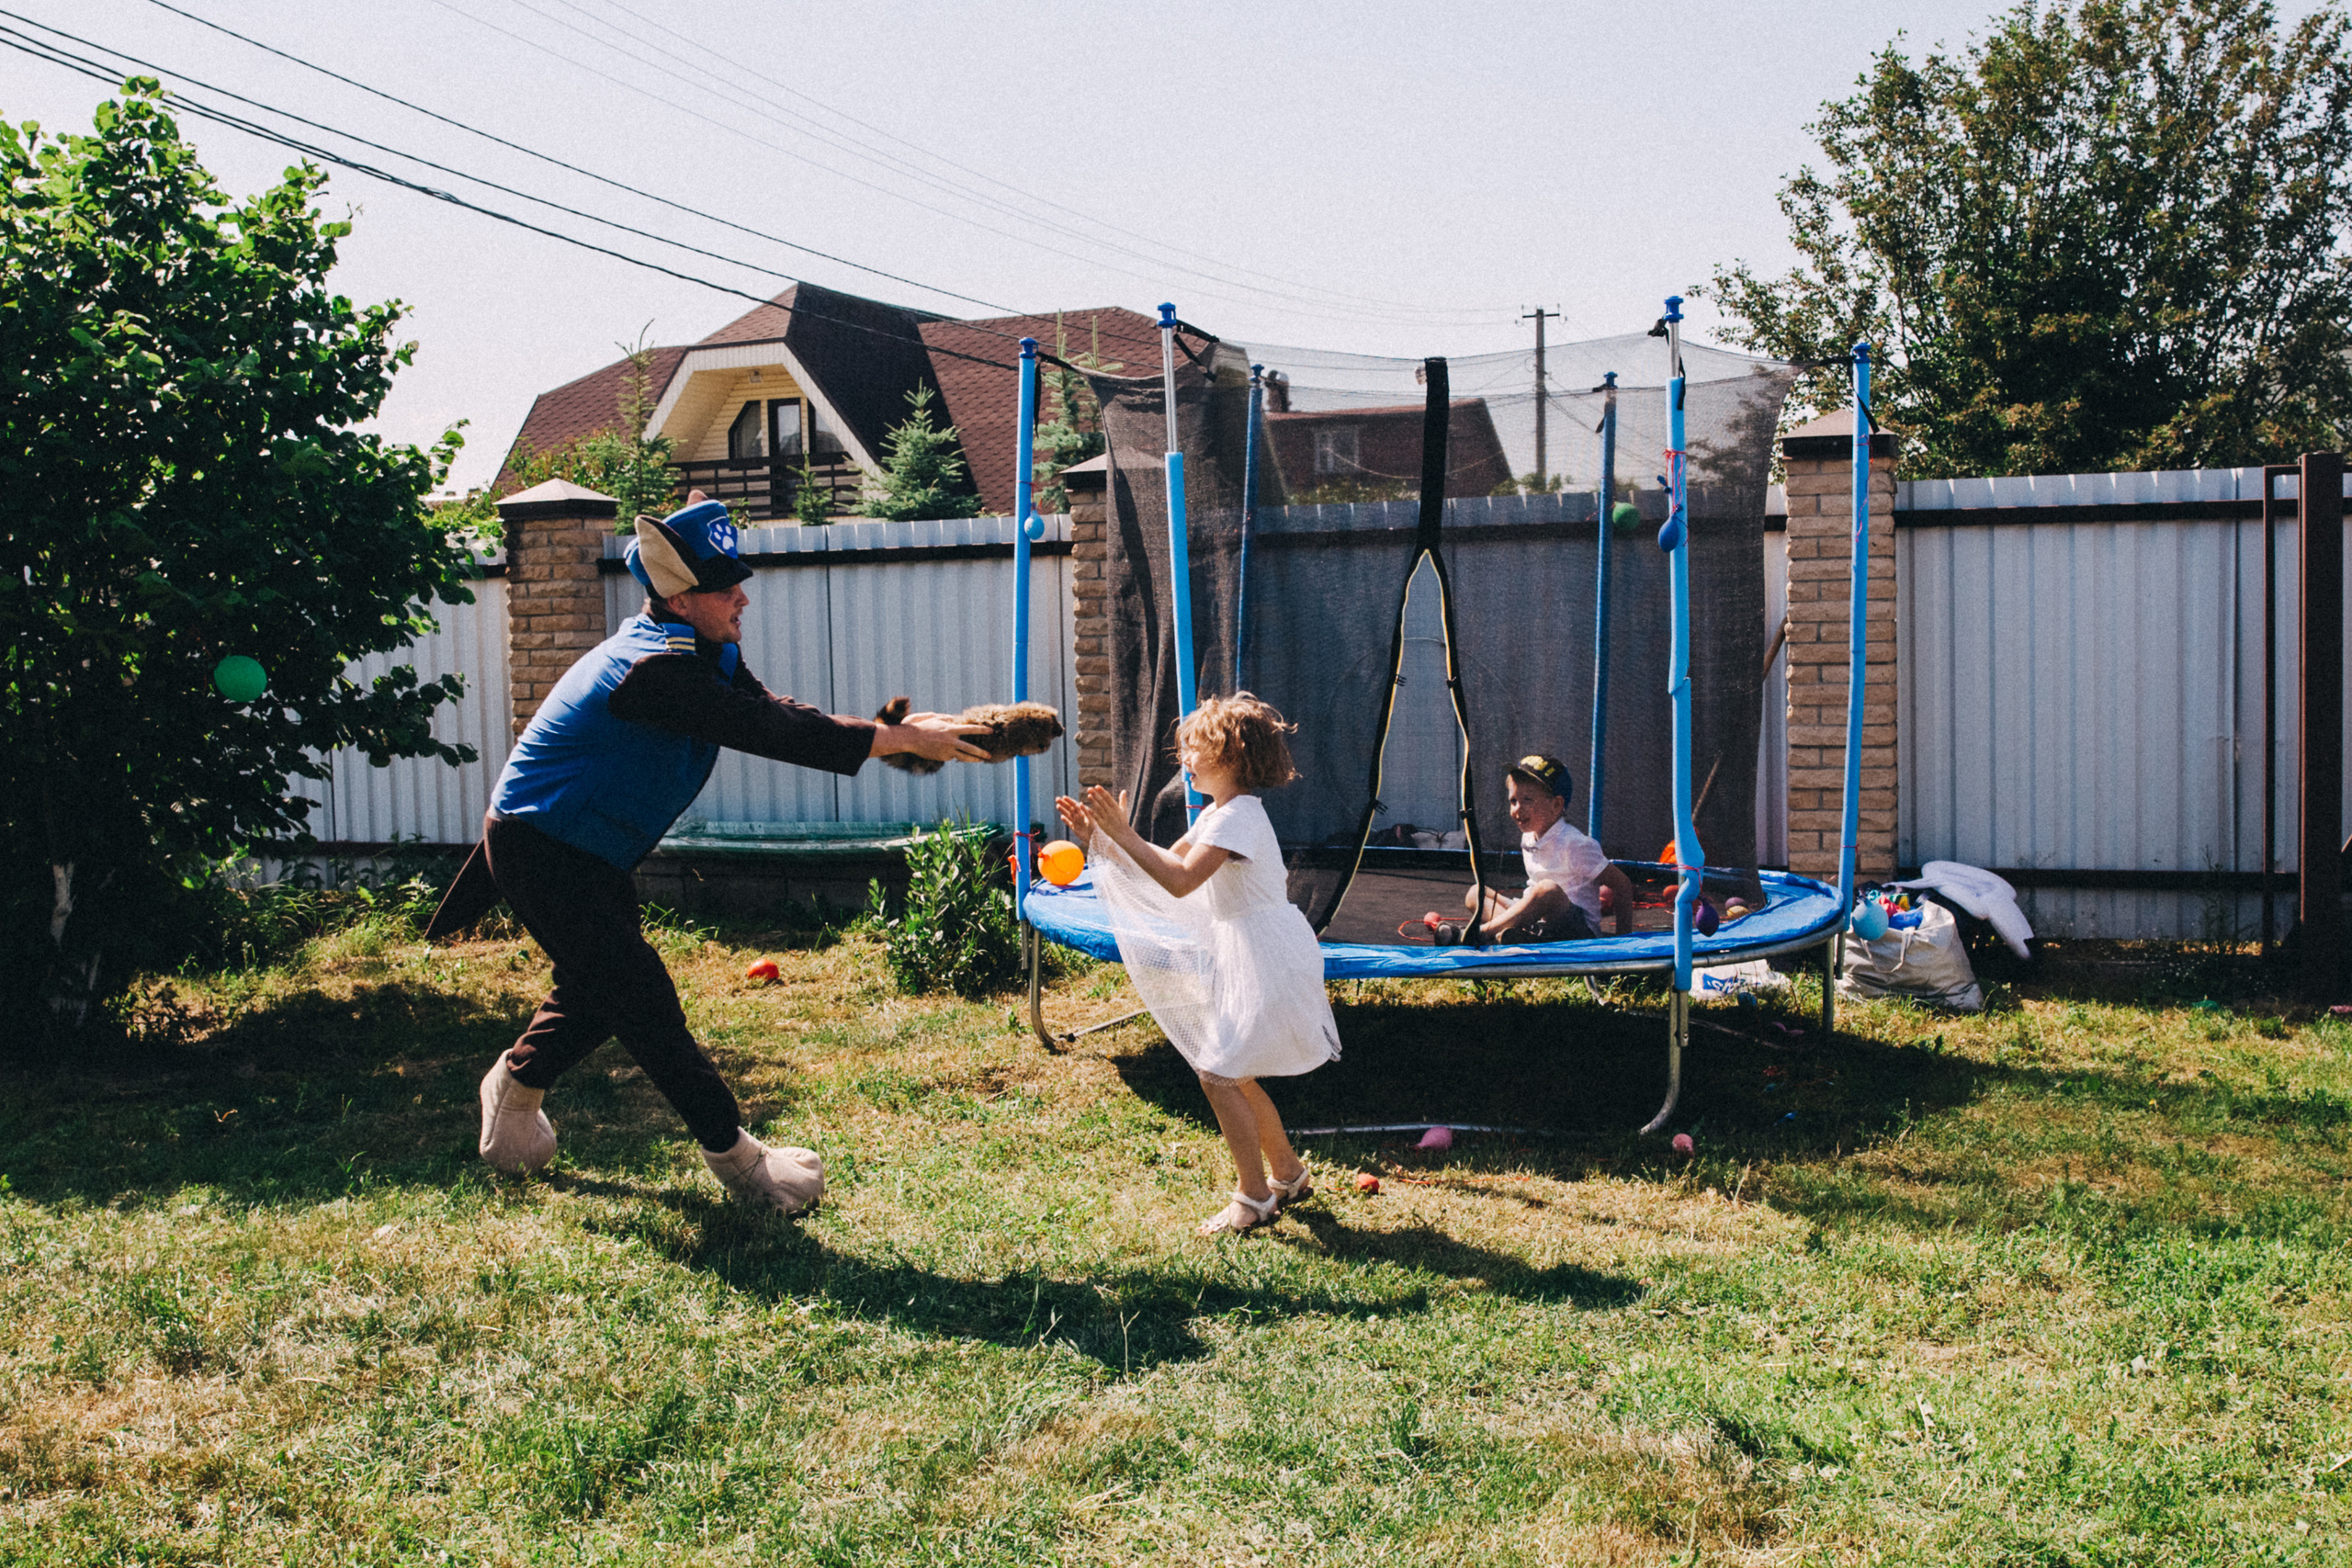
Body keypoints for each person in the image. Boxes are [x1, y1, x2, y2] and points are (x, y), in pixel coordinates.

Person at [441, 496, 988, 1213]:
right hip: (541, 845)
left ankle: (511, 1089)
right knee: (643, 1001)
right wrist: (897, 740)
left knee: (602, 987)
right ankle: (740, 1162)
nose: (742, 596)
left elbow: (774, 710)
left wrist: (895, 731)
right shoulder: (651, 670)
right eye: (724, 585)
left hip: (588, 848)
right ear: (678, 594)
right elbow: (755, 725)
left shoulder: (706, 650)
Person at [1054, 694, 1339, 1236]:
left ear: (1232, 755)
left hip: (1268, 954)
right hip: (1251, 950)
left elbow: (1181, 881)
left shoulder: (1237, 818)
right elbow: (1168, 863)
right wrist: (1107, 838)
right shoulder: (1220, 813)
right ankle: (1289, 1173)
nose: (1185, 758)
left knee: (1218, 1072)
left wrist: (1125, 834)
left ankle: (1254, 1197)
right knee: (1237, 1069)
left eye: (1196, 748)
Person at [1447, 753, 1634, 943]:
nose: (1518, 808)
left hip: (1578, 932)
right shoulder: (1528, 837)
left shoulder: (1576, 844)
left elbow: (1622, 885)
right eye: (1513, 801)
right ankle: (1521, 935)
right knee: (1475, 893)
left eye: (1528, 800)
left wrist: (1623, 941)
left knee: (1547, 889)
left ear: (1556, 805)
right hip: (1540, 921)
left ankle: (1480, 933)